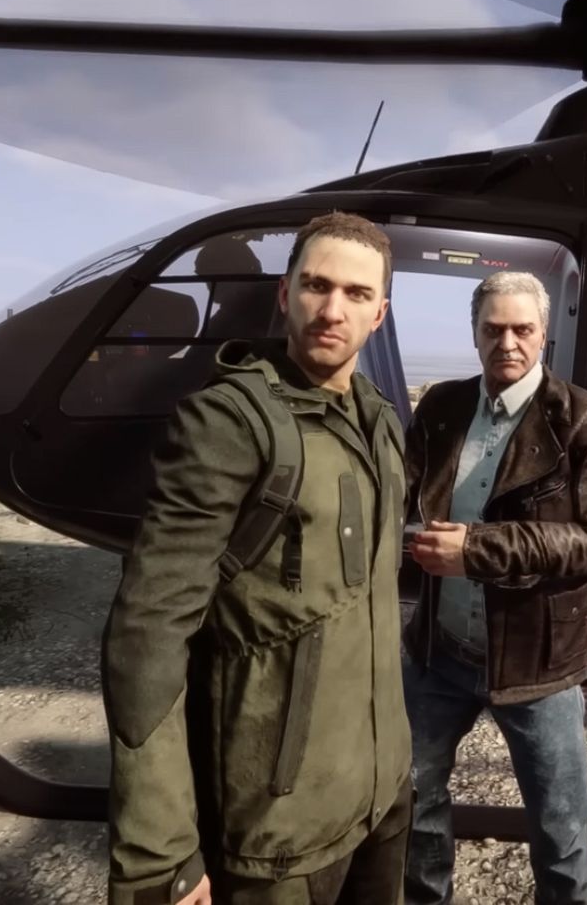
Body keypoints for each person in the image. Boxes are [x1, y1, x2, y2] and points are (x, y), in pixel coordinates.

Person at [102, 210, 414, 905]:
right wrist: (160, 855)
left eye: (357, 295)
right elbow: (147, 632)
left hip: (382, 796)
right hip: (278, 830)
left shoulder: (380, 421)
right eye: (316, 286)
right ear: (285, 294)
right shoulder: (229, 422)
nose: (333, 310)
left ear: (380, 313)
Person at [400, 271, 587, 905]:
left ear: (543, 334)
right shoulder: (441, 406)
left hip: (537, 666)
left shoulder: (582, 418)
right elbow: (403, 499)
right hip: (437, 653)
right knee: (412, 802)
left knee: (560, 827)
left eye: (522, 329)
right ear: (473, 333)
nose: (508, 343)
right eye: (493, 329)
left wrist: (475, 549)